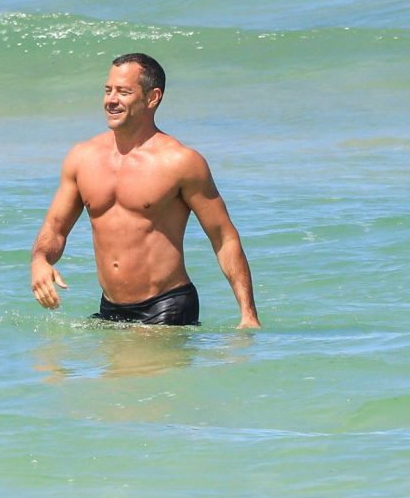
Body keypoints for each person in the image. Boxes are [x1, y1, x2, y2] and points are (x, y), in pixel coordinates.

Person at [30, 53, 261, 329]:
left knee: (145, 372)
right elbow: (55, 228)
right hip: (110, 307)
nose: (111, 100)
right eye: (108, 90)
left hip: (167, 304)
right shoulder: (82, 158)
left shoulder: (180, 162)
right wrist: (40, 260)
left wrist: (248, 315)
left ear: (153, 98)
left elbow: (223, 238)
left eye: (123, 92)